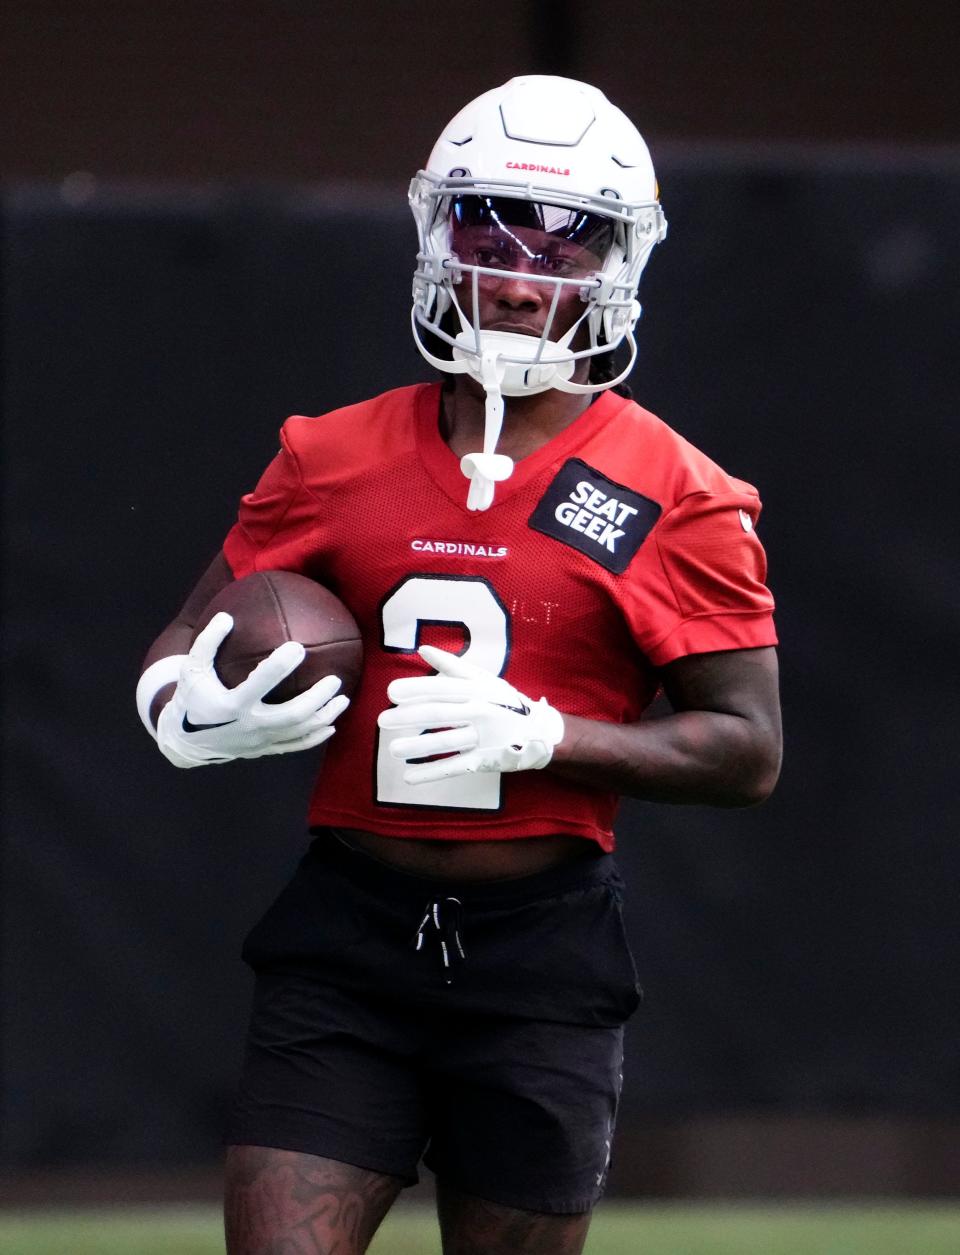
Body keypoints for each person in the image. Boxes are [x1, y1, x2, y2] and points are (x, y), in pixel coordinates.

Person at [137, 75, 782, 1255]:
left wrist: (548, 736)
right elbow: (183, 640)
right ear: (438, 234)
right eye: (490, 230)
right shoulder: (330, 452)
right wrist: (183, 703)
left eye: (565, 243)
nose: (524, 274)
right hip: (347, 941)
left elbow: (748, 749)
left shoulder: (678, 492)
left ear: (620, 263)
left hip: (542, 957)